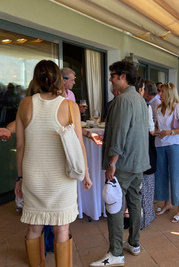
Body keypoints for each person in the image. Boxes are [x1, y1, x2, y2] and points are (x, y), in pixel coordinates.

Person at [15, 60, 92, 266]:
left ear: (36, 79)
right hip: (62, 177)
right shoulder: (69, 105)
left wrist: (20, 178)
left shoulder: (25, 104)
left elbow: (20, 146)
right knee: (61, 228)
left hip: (33, 174)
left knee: (33, 227)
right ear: (58, 78)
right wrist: (85, 174)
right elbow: (79, 145)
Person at [91, 60, 150, 267]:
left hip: (124, 163)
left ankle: (116, 252)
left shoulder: (124, 100)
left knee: (113, 204)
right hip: (139, 162)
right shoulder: (139, 99)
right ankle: (133, 243)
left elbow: (119, 134)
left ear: (123, 77)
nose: (110, 79)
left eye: (113, 75)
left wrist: (112, 162)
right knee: (134, 202)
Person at [154, 82, 179, 223]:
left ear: (168, 93)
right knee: (161, 176)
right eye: (159, 91)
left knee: (175, 175)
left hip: (174, 145)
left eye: (161, 91)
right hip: (160, 145)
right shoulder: (157, 108)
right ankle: (167, 204)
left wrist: (169, 132)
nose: (159, 94)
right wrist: (156, 132)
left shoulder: (177, 108)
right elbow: (156, 127)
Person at [133, 77, 157, 230]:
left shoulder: (122, 103)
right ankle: (145, 216)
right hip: (144, 148)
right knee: (146, 182)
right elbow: (150, 129)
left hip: (132, 151)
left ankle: (137, 217)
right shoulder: (145, 106)